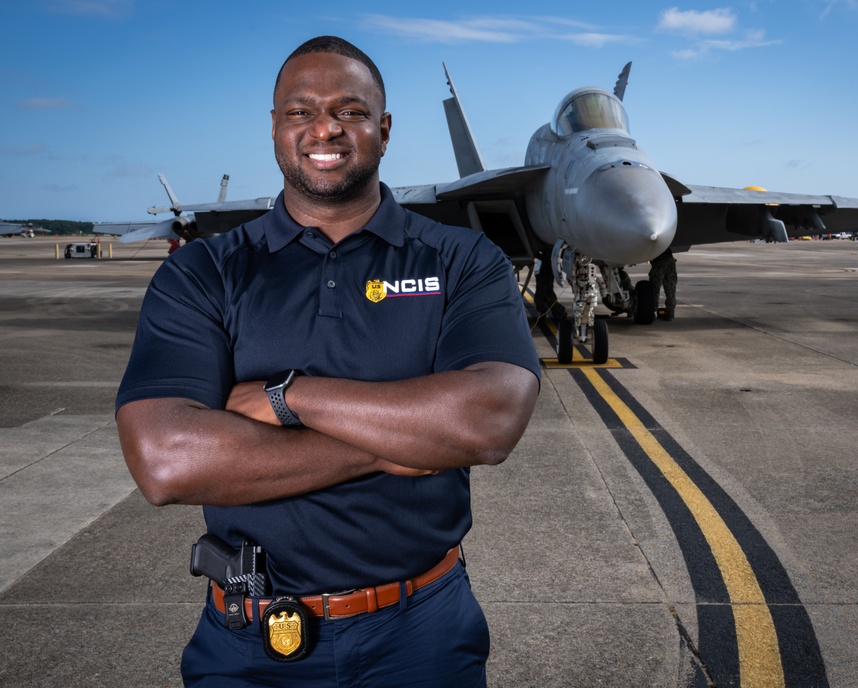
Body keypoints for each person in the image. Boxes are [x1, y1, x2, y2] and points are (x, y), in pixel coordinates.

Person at [115, 36, 540, 687]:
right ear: (276, 128)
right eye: (301, 111)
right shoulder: (205, 272)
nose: (325, 129)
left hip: (422, 630)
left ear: (384, 129)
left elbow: (487, 420)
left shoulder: (462, 260)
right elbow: (167, 461)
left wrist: (291, 397)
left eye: (350, 110)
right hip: (249, 644)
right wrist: (400, 441)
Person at [648, 248, 677, 320]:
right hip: (670, 260)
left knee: (654, 289)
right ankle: (670, 312)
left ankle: (652, 312)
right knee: (671, 289)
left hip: (659, 261)